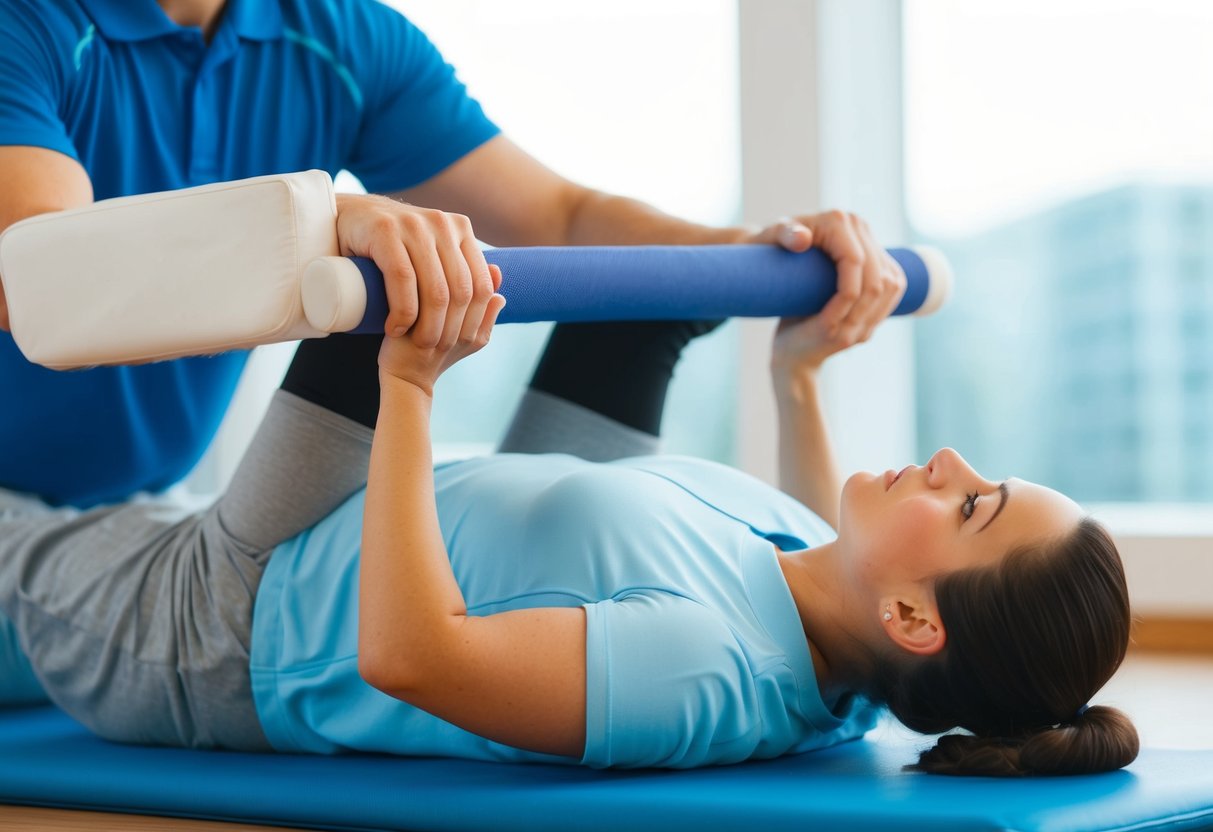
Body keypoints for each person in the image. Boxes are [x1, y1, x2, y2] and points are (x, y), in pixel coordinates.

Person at [0, 244, 1138, 778]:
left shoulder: (705, 667)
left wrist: (405, 384)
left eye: (973, 503)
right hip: (370, 523)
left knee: (395, 268)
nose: (946, 458)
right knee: (649, 299)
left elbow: (410, 654)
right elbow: (833, 533)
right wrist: (797, 372)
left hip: (222, 620)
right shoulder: (821, 587)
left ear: (913, 619)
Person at [0, 0, 904, 508]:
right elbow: (45, 276)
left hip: (123, 514)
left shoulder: (342, 39)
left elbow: (558, 214)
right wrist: (333, 218)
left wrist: (757, 253)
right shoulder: (30, 25)